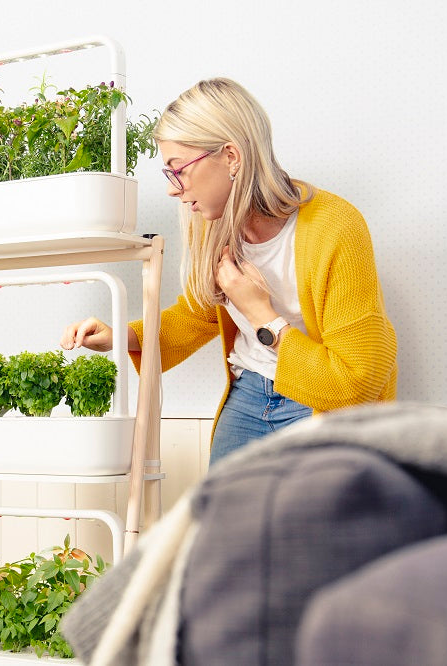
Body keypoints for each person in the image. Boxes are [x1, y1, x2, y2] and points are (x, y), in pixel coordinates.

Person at [61, 77, 397, 466]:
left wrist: (262, 316)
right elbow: (195, 315)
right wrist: (122, 337)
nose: (172, 189)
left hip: (319, 404)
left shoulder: (335, 227)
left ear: (232, 157)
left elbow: (357, 381)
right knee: (222, 522)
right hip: (248, 395)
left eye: (178, 169)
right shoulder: (216, 225)